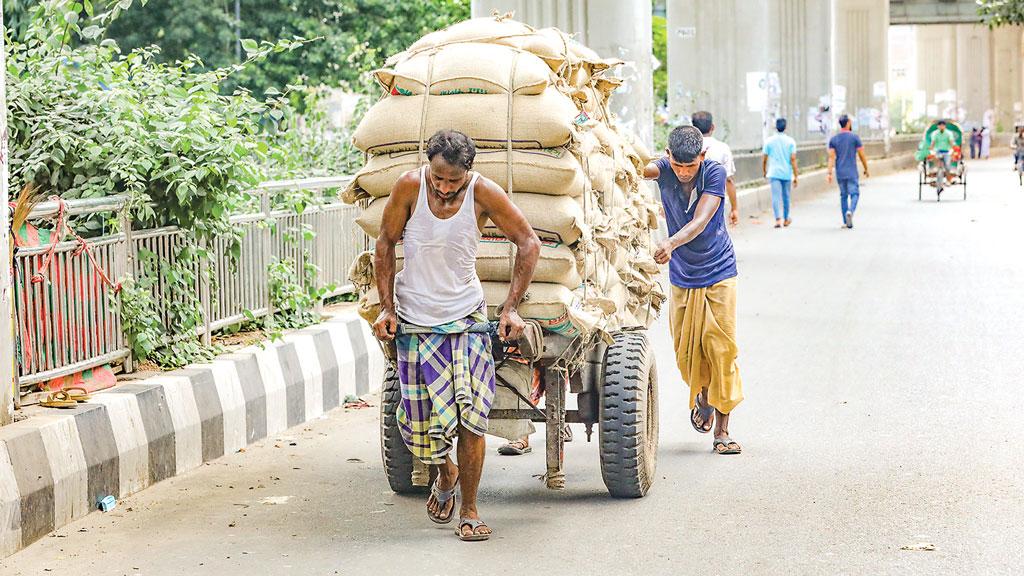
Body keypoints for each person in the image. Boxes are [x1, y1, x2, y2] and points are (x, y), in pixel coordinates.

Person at [373, 129, 540, 541]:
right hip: (414, 321)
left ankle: (469, 509)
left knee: (471, 418)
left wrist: (511, 307)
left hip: (465, 320)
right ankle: (444, 473)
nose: (445, 188)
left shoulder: (484, 193)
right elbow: (384, 243)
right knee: (418, 423)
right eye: (438, 179)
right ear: (428, 168)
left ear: (469, 172)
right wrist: (387, 308)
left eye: (453, 181)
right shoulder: (409, 187)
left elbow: (529, 242)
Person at [644, 125, 744, 455]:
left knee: (721, 347)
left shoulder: (713, 172)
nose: (685, 173)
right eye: (678, 165)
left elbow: (701, 221)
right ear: (668, 156)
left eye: (691, 165)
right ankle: (703, 395)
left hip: (718, 269)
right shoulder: (662, 169)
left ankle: (723, 430)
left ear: (702, 156)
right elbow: (638, 168)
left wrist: (671, 242)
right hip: (682, 275)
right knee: (685, 354)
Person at [691, 111, 739, 226]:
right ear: (712, 127)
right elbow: (729, 180)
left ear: (693, 128)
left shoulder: (686, 147)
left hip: (690, 204)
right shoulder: (722, 148)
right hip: (715, 204)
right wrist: (734, 208)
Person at [827, 114, 870, 229]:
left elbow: (831, 157)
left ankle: (845, 222)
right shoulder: (855, 138)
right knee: (855, 193)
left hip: (840, 172)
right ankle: (850, 211)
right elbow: (861, 155)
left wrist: (829, 173)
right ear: (849, 123)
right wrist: (866, 168)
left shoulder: (834, 139)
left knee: (843, 196)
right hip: (851, 171)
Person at [762, 118, 798, 228]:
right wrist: (796, 175)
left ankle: (778, 219)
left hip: (774, 173)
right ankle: (786, 219)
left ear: (775, 127)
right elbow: (793, 159)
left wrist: (764, 170)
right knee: (786, 197)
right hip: (786, 173)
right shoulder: (791, 141)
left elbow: (764, 158)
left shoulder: (769, 141)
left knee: (776, 197)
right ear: (785, 127)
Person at [930, 120, 955, 187]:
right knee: (934, 162)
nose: (941, 127)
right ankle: (933, 178)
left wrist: (953, 150)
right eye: (940, 125)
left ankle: (948, 180)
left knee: (947, 166)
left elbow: (951, 142)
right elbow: (933, 142)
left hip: (947, 151)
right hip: (937, 151)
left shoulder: (948, 133)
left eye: (943, 125)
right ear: (938, 126)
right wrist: (931, 149)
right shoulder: (935, 133)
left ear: (945, 126)